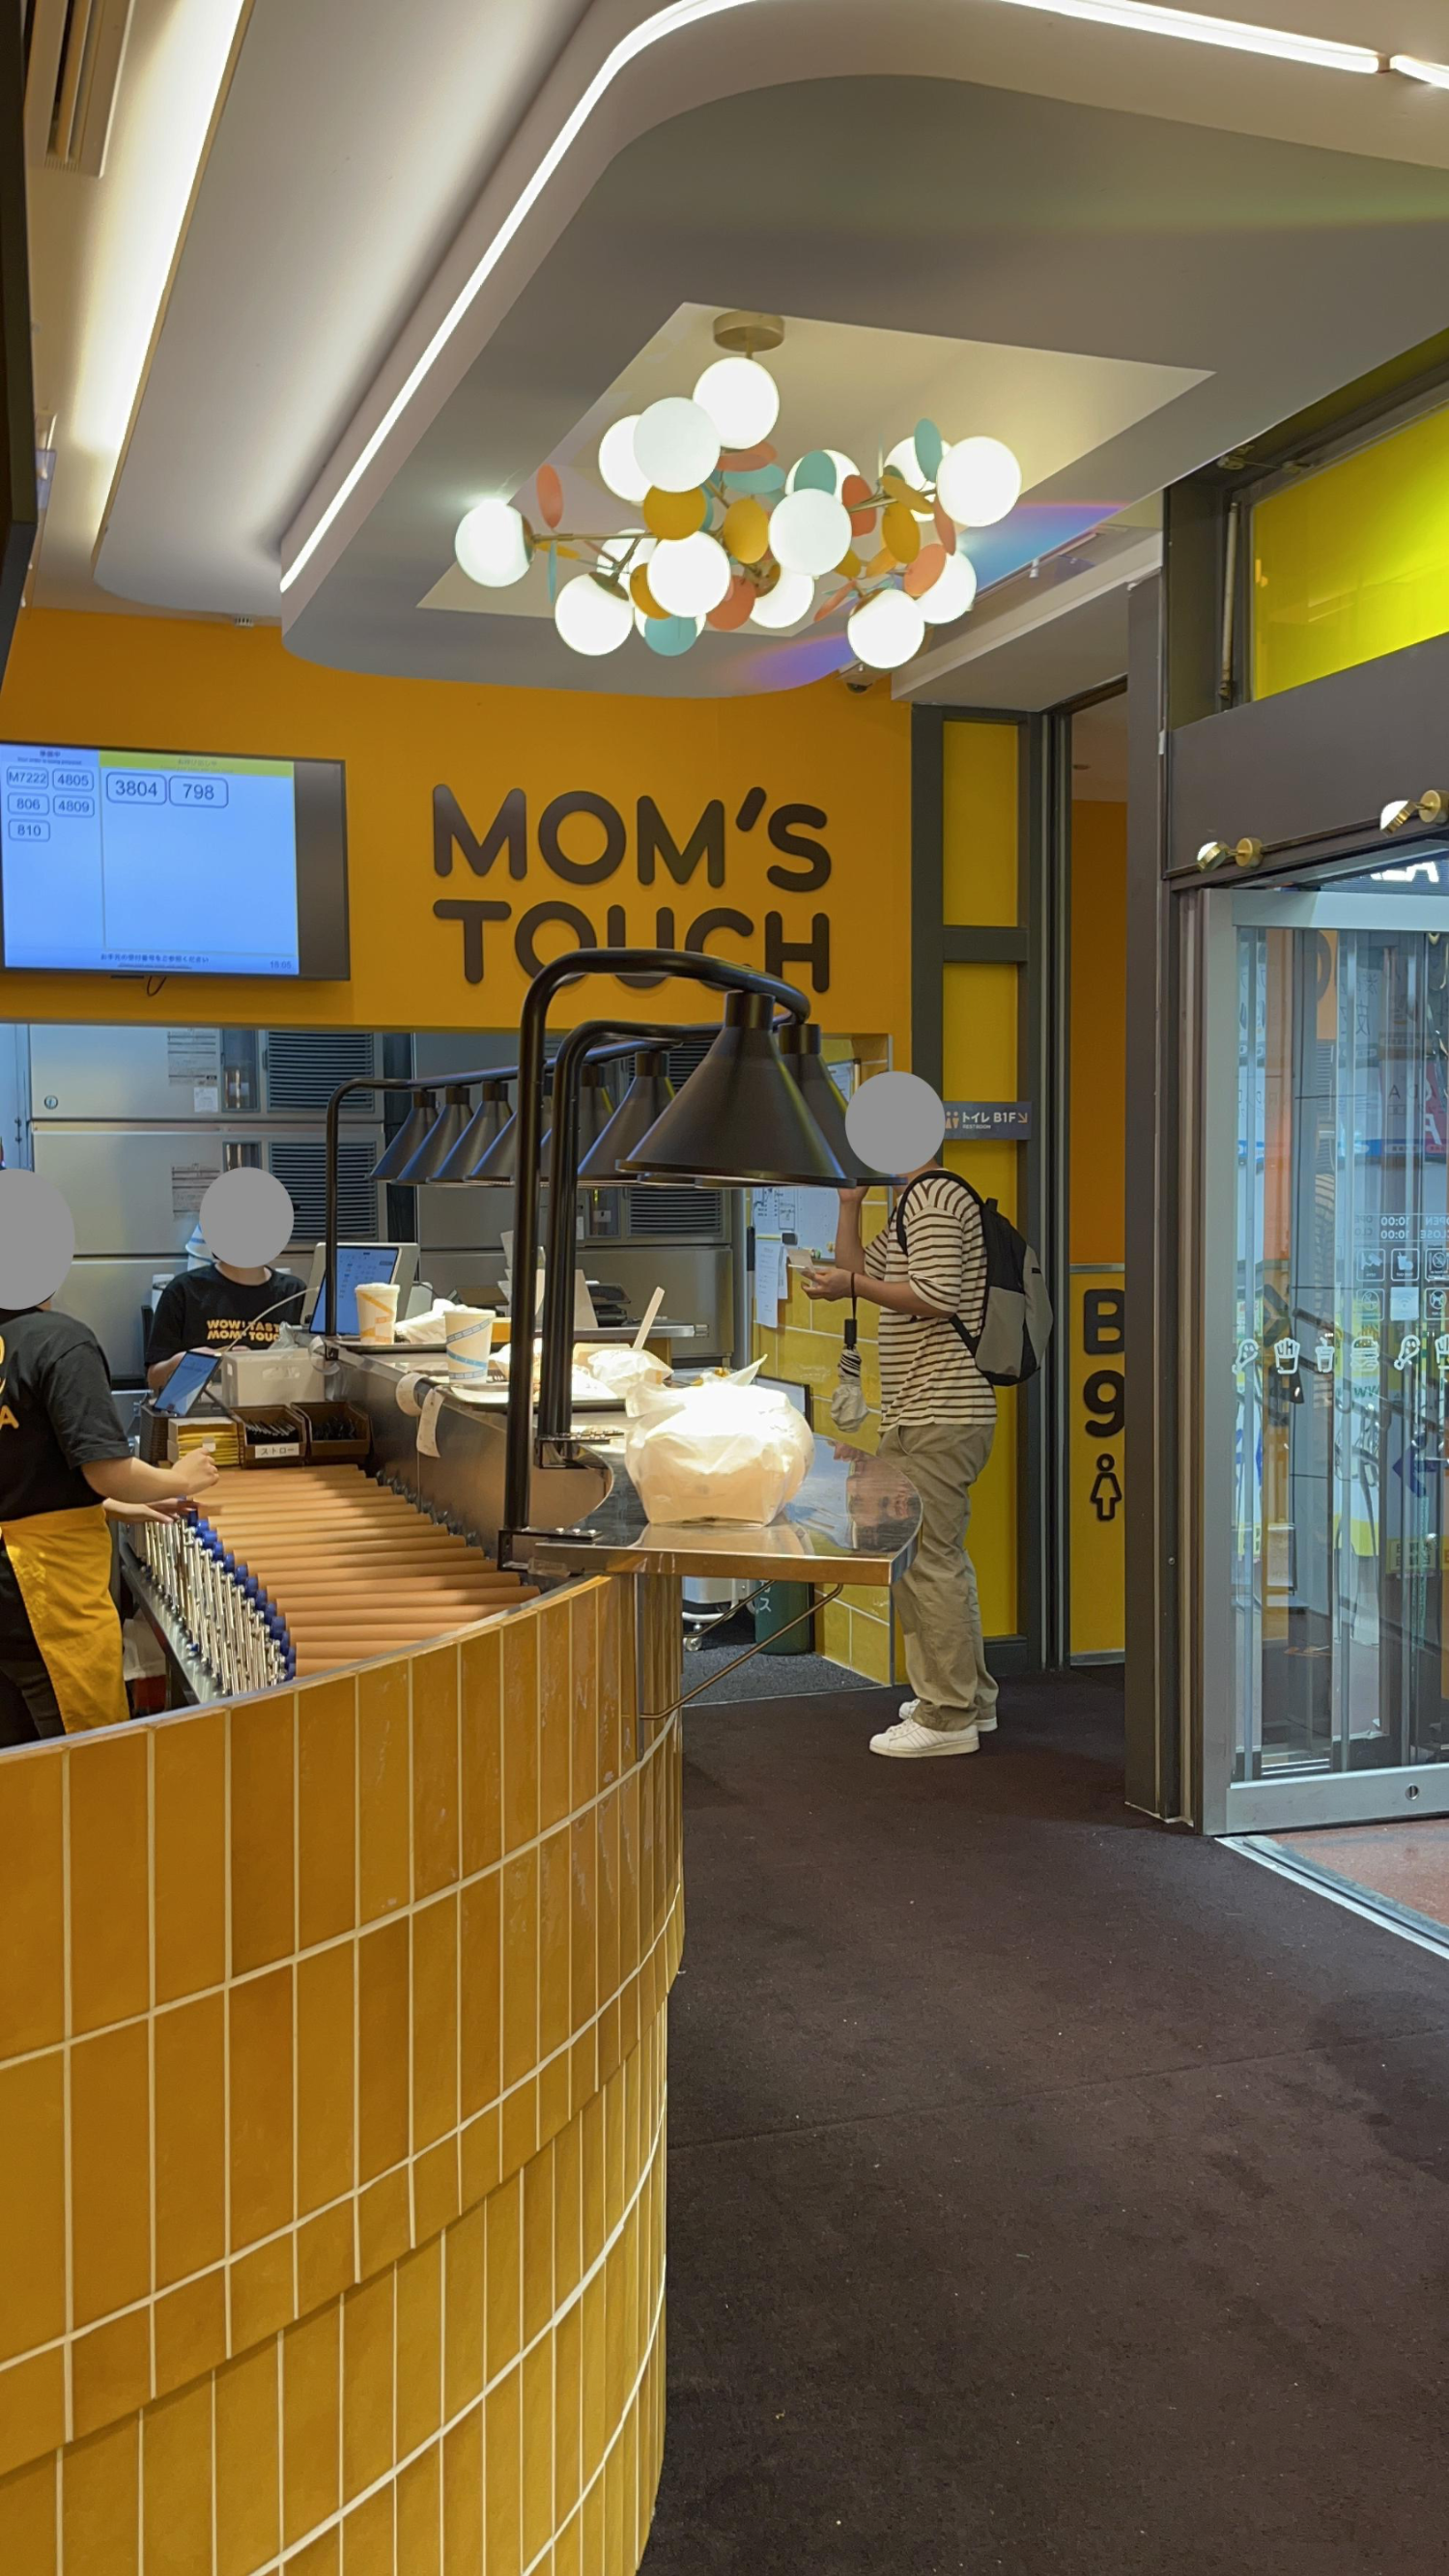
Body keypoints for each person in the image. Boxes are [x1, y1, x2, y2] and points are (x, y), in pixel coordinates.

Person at [805, 1167, 997, 1757]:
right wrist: (849, 1206)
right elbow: (862, 1275)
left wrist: (852, 1286)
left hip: (937, 1413)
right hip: (926, 1412)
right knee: (934, 1556)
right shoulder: (911, 1200)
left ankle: (948, 1715)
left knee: (927, 1562)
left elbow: (935, 1297)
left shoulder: (934, 1195)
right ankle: (969, 1697)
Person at [1, 1298, 218, 1741]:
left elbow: (23, 1466)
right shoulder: (61, 1340)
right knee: (87, 1755)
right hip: (46, 1594)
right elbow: (106, 1470)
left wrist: (110, 1506)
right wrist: (179, 1478)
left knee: (21, 1757)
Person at [146, 1244, 307, 1389]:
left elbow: (310, 1371)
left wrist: (256, 1364)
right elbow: (153, 1380)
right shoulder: (183, 1290)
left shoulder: (295, 1292)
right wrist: (183, 1362)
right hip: (204, 1409)